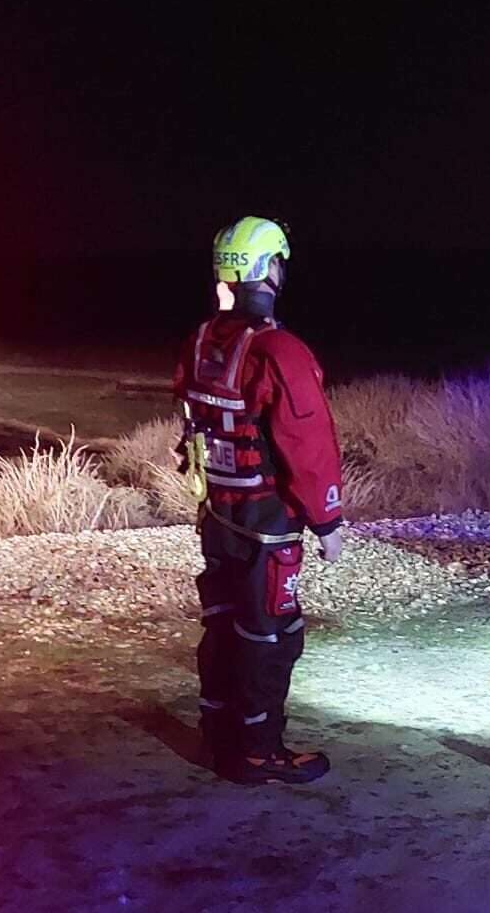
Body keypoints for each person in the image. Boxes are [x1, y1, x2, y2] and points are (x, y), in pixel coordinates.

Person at [175, 215, 346, 785]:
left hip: (217, 511)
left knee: (223, 623)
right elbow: (307, 441)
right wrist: (327, 520)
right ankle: (257, 749)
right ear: (271, 268)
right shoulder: (280, 350)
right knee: (270, 633)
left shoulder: (200, 340)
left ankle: (217, 733)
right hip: (267, 519)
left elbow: (193, 422)